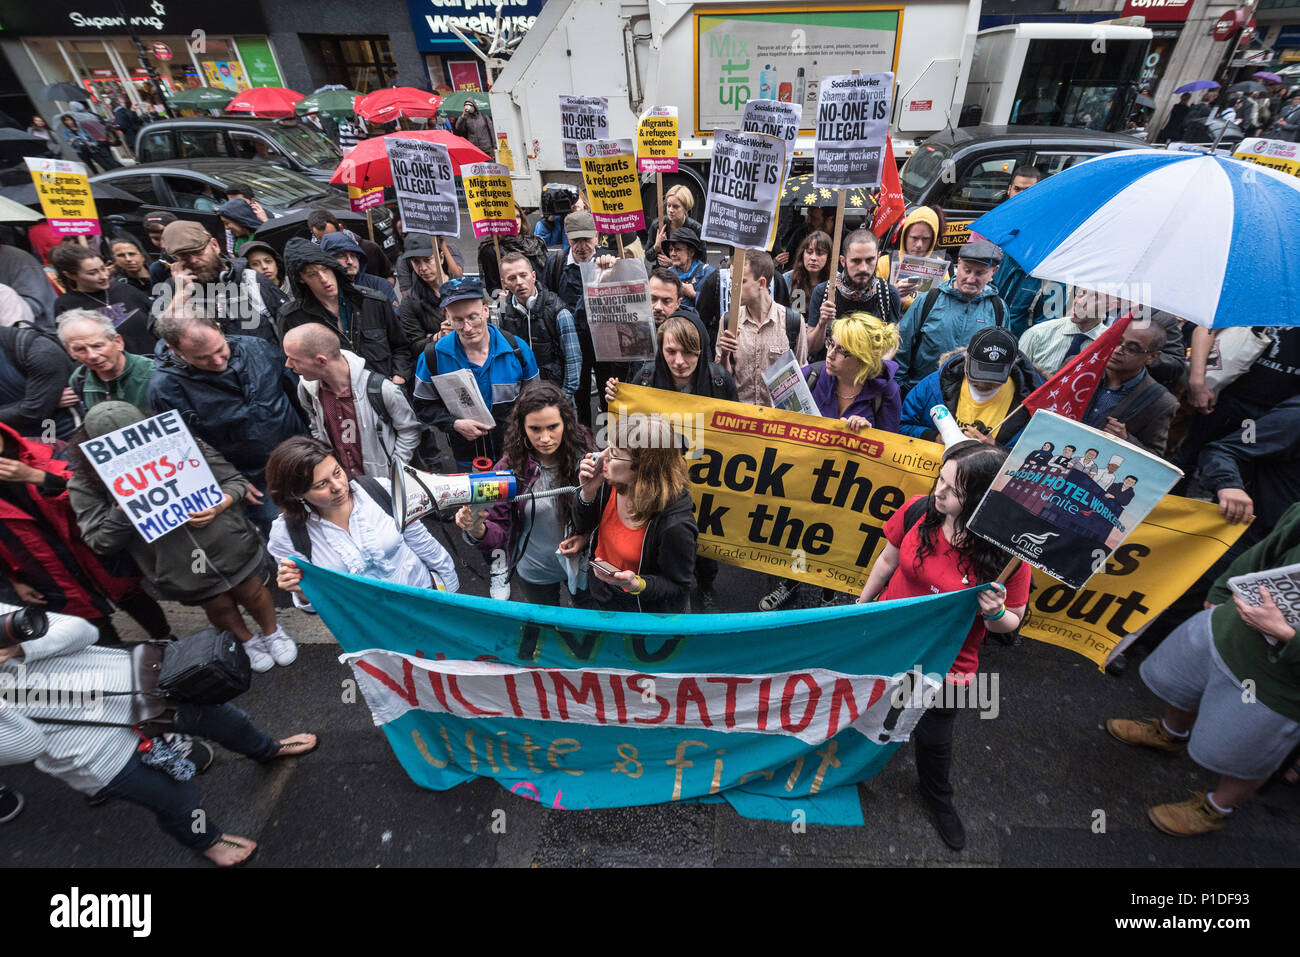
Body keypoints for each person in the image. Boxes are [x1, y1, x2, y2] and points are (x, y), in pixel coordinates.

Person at [0, 602, 316, 866]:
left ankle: (266, 749)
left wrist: (20, 648)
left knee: (226, 719)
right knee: (178, 798)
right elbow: (27, 745)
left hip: (134, 684)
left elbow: (85, 631)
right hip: (92, 749)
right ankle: (207, 840)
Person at [856, 442, 1032, 849]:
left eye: (953, 490)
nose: (939, 492)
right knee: (869, 704)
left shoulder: (1008, 555)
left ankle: (937, 797)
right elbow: (886, 561)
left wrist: (994, 612)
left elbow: (1012, 623)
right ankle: (852, 766)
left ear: (984, 500)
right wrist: (860, 611)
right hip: (887, 638)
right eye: (941, 479)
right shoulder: (919, 510)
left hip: (947, 664)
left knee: (934, 736)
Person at [1106, 501, 1300, 835]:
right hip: (1230, 627)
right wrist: (1224, 586)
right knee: (1178, 683)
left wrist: (1286, 636)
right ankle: (1170, 734)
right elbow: (1267, 548)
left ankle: (1217, 807)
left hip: (1280, 681)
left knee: (1248, 753)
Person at [67, 402, 296, 674]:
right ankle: (246, 641)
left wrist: (219, 505)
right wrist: (125, 505)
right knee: (219, 606)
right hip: (179, 566)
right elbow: (100, 541)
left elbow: (234, 481)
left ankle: (272, 633)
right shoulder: (84, 484)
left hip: (230, 544)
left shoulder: (186, 445)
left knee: (255, 592)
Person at [0, 422, 172, 647]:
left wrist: (38, 477)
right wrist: (14, 583)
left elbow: (97, 490)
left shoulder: (45, 449)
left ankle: (166, 640)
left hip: (94, 549)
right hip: (45, 570)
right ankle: (118, 668)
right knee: (90, 624)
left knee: (132, 597)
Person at [148, 317, 307, 537]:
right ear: (174, 350)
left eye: (219, 349)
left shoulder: (256, 347)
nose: (217, 361)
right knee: (289, 539)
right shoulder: (165, 389)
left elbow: (296, 393)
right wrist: (231, 481)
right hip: (255, 481)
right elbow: (187, 447)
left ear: (219, 329)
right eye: (202, 358)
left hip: (302, 454)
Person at [268, 437, 458, 611]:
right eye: (321, 485)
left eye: (337, 472)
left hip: (425, 599)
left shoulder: (380, 490)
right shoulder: (286, 535)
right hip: (368, 624)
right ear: (296, 493)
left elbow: (424, 544)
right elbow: (318, 605)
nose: (338, 486)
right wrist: (301, 592)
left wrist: (453, 595)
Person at [455, 381, 595, 603]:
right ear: (522, 428)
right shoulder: (505, 470)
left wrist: (587, 537)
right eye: (535, 429)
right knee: (547, 630)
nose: (545, 438)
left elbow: (606, 507)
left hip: (584, 565)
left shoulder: (584, 450)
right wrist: (477, 529)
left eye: (553, 427)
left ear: (566, 423)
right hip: (536, 571)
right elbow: (499, 533)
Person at [573, 414, 698, 613]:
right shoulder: (610, 482)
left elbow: (678, 587)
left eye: (613, 453)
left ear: (643, 468)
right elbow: (583, 526)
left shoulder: (676, 525)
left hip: (639, 608)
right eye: (606, 448)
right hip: (601, 590)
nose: (601, 457)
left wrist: (637, 585)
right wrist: (587, 493)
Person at [413, 277, 540, 469]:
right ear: (447, 318)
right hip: (466, 458)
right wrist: (453, 424)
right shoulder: (433, 357)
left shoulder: (517, 350)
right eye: (458, 320)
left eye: (472, 317)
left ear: (486, 311)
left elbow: (536, 401)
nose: (467, 328)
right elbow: (423, 406)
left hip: (514, 455)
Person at [283, 322, 420, 480]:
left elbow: (409, 430)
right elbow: (316, 427)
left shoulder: (383, 390)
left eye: (294, 359)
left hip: (384, 486)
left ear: (321, 361)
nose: (288, 364)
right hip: (346, 487)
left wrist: (394, 470)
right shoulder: (306, 390)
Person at [278, 237, 413, 385]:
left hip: (386, 391)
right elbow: (294, 368)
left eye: (325, 269)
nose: (323, 278)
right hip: (337, 400)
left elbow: (401, 347)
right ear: (301, 279)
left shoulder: (374, 301)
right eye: (312, 274)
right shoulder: (293, 318)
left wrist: (399, 377)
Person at [896, 239, 1008, 394]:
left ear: (994, 271)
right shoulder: (929, 300)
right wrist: (899, 392)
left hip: (969, 400)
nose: (970, 279)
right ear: (959, 262)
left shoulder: (998, 309)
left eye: (980, 273)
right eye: (967, 270)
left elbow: (1002, 358)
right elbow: (901, 347)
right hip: (921, 394)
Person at [900, 327, 1041, 444]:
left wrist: (994, 449)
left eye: (995, 377)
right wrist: (935, 437)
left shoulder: (1030, 403)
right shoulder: (933, 385)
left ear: (1011, 367)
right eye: (978, 373)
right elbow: (900, 426)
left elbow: (1031, 457)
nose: (983, 383)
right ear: (966, 360)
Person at [157, 222, 284, 344]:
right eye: (183, 256)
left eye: (198, 252)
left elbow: (288, 324)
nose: (193, 260)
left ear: (215, 245)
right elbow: (160, 335)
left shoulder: (251, 279)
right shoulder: (175, 288)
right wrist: (181, 296)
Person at [716, 250, 808, 406]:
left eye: (741, 281)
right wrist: (725, 356)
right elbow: (721, 379)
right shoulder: (728, 321)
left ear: (761, 283)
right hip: (739, 419)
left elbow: (802, 375)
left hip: (775, 422)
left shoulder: (792, 321)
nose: (733, 289)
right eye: (732, 281)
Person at [1079, 320, 1179, 457]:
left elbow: (1154, 458)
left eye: (1131, 349)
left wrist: (1126, 441)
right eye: (1117, 340)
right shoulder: (1080, 369)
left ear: (1152, 356)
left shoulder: (1160, 402)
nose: (1118, 350)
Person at [497, 251, 582, 408]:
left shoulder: (558, 311)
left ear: (534, 276)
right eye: (512, 278)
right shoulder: (503, 309)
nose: (519, 282)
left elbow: (573, 360)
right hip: (522, 398)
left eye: (524, 275)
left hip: (557, 395)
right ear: (505, 283)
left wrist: (564, 397)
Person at [809, 229, 902, 360]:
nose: (863, 268)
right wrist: (822, 323)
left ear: (878, 257)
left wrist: (875, 368)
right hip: (830, 374)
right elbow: (812, 349)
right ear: (843, 261)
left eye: (870, 260)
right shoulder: (824, 292)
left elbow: (893, 343)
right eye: (856, 261)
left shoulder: (887, 294)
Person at [805, 312, 902, 433]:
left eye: (841, 350)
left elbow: (889, 445)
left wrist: (869, 435)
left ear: (863, 359)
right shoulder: (810, 376)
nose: (830, 355)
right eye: (831, 343)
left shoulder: (887, 392)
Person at [49, 243, 154, 355]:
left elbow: (156, 320)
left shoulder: (125, 289)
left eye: (103, 269)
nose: (103, 276)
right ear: (70, 275)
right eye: (92, 273)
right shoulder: (66, 305)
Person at [57, 309, 154, 411]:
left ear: (118, 342)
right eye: (80, 349)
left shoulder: (153, 374)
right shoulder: (79, 379)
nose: (92, 356)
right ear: (70, 352)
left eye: (97, 346)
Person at [989, 167, 1045, 336]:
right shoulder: (991, 225)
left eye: (1027, 191)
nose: (1020, 195)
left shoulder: (1044, 231)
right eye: (1017, 189)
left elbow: (1044, 320)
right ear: (1009, 190)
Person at [0, 323, 79, 440]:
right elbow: (35, 406)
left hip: (60, 437)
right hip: (11, 441)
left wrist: (39, 403)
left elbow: (33, 412)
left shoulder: (39, 350)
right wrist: (45, 401)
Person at [1017, 286, 1110, 379]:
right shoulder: (1037, 334)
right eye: (1081, 292)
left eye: (1094, 298)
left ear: (1110, 305)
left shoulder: (1111, 346)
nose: (1080, 302)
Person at [875, 208, 947, 313]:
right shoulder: (885, 263)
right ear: (905, 236)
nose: (919, 245)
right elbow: (873, 301)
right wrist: (893, 292)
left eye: (925, 239)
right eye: (914, 238)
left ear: (933, 239)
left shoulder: (940, 267)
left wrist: (907, 302)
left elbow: (943, 308)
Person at [306, 211, 393, 283]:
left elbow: (389, 276)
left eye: (333, 236)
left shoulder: (369, 248)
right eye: (322, 239)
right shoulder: (315, 261)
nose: (329, 242)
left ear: (340, 228)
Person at [321, 231, 399, 311]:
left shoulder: (381, 285)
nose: (350, 261)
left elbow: (395, 319)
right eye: (341, 256)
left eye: (353, 255)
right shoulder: (325, 293)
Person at [480, 204, 548, 296]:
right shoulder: (491, 250)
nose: (516, 222)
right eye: (510, 218)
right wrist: (499, 293)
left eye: (518, 216)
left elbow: (549, 275)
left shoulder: (537, 242)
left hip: (543, 300)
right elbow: (492, 286)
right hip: (513, 303)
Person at [646, 185, 704, 270]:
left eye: (675, 207)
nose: (670, 210)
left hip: (686, 276)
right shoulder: (658, 225)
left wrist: (672, 263)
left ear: (686, 209)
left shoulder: (696, 229)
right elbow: (648, 257)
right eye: (668, 206)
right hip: (662, 275)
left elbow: (702, 261)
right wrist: (656, 247)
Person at [784, 229, 832, 320]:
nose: (813, 258)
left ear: (829, 257)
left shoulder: (837, 281)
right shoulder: (787, 279)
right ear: (802, 254)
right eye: (809, 252)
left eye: (820, 253)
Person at [661, 227, 712, 310]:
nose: (672, 254)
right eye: (670, 250)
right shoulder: (667, 275)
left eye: (678, 249)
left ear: (691, 252)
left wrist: (693, 294)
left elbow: (714, 307)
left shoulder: (708, 274)